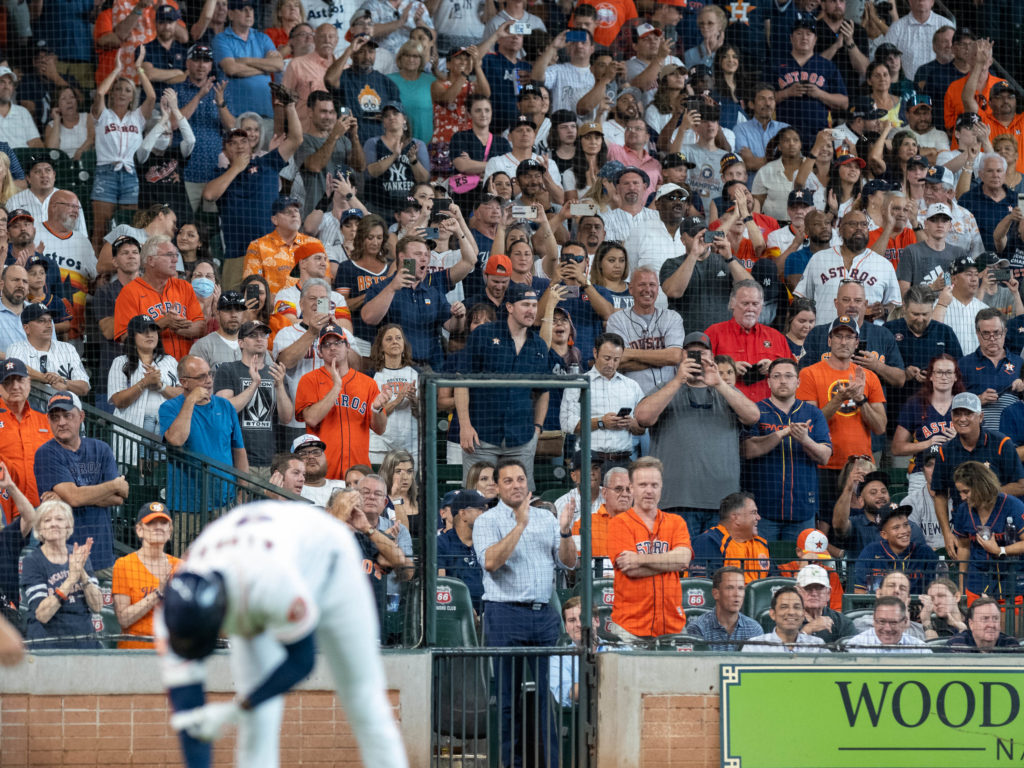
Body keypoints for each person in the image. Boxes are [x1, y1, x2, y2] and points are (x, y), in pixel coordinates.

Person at [160, 502, 408, 768]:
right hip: (260, 562)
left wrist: (240, 707)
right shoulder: (172, 611)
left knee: (362, 695)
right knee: (258, 721)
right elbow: (189, 718)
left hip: (329, 562)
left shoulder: (270, 584)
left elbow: (302, 661)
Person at [473, 458, 576, 768]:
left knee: (548, 698)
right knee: (507, 698)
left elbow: (569, 564)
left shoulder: (546, 518)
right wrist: (520, 524)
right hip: (504, 614)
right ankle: (509, 763)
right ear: (497, 487)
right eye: (508, 481)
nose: (516, 485)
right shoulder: (487, 521)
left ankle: (551, 763)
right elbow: (491, 563)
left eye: (520, 479)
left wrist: (567, 532)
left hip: (544, 615)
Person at [637, 331, 760, 534]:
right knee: (680, 563)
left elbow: (753, 416)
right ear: (682, 358)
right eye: (691, 354)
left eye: (702, 354)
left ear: (712, 357)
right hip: (675, 500)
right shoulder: (667, 388)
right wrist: (677, 381)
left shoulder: (725, 391)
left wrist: (719, 383)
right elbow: (642, 417)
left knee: (722, 564)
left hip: (723, 504)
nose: (697, 359)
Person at [455, 283, 550, 489]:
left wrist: (537, 429)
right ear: (509, 307)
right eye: (525, 304)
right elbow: (461, 381)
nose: (531, 310)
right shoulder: (483, 334)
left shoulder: (539, 345)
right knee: (476, 499)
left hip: (522, 438)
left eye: (534, 305)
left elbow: (543, 391)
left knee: (520, 500)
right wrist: (465, 425)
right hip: (481, 436)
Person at [796, 315, 887, 508]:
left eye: (849, 336)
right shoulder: (809, 374)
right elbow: (809, 425)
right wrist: (839, 398)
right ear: (829, 340)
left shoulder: (869, 377)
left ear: (856, 343)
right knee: (824, 528)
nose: (843, 341)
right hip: (822, 464)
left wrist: (861, 399)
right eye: (838, 336)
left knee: (859, 525)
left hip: (860, 465)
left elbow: (880, 427)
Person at [34, 391, 128, 577]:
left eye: (67, 415)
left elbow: (118, 499)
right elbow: (75, 498)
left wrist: (68, 496)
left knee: (104, 606)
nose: (61, 422)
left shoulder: (101, 449)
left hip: (102, 555)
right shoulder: (46, 453)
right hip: (63, 558)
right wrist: (114, 485)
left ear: (81, 416)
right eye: (55, 417)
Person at [741, 358, 833, 541]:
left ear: (798, 382)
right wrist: (782, 434)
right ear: (768, 382)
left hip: (802, 509)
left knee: (799, 566)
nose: (783, 381)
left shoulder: (813, 413)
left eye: (789, 376)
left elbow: (825, 457)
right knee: (761, 565)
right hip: (762, 509)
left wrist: (805, 440)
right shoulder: (756, 411)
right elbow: (747, 450)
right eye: (776, 376)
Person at [604, 457, 691, 642]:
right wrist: (670, 563)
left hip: (672, 625)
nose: (649, 491)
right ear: (632, 488)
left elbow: (683, 559)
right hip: (630, 627)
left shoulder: (676, 522)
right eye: (643, 485)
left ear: (661, 487)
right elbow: (631, 570)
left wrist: (639, 559)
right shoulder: (619, 523)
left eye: (654, 485)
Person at [931, 393, 1024, 557]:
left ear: (980, 417)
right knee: (968, 576)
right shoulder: (945, 451)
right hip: (965, 528)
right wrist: (947, 533)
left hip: (1004, 525)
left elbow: (1020, 485)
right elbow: (940, 495)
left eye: (968, 413)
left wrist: (984, 495)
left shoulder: (1002, 444)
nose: (962, 419)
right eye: (957, 414)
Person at [294, 324, 390, 478]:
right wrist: (336, 387)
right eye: (326, 344)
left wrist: (377, 410)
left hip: (358, 474)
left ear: (348, 347)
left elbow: (380, 429)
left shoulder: (368, 383)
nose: (332, 348)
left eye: (338, 343)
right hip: (323, 474)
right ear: (319, 352)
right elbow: (311, 418)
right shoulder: (309, 380)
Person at [160, 355, 249, 515]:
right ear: (184, 382)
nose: (208, 380)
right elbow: (176, 439)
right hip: (187, 504)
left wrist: (243, 491)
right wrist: (191, 400)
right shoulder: (169, 408)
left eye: (210, 374)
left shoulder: (225, 406)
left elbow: (239, 450)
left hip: (225, 500)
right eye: (201, 377)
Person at [213, 319, 294, 476]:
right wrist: (253, 385)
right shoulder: (228, 369)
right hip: (237, 458)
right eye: (253, 335)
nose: (259, 339)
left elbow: (286, 418)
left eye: (263, 335)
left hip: (269, 460)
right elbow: (224, 409)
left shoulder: (275, 373)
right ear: (241, 343)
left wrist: (279, 387)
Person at [21, 500, 103, 650]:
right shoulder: (32, 561)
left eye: (59, 519)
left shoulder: (79, 554)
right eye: (47, 520)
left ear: (68, 526)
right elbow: (42, 615)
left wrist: (82, 573)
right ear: (39, 528)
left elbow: (97, 606)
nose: (54, 524)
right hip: (48, 646)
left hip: (84, 643)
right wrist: (71, 579)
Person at [793, 211, 901, 324]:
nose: (859, 228)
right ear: (840, 230)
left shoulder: (883, 264)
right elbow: (802, 299)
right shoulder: (819, 259)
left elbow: (896, 305)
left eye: (864, 224)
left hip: (868, 337)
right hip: (825, 335)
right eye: (852, 224)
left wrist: (884, 310)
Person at [114, 235, 205, 360]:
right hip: (150, 369)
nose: (175, 260)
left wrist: (176, 327)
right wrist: (162, 323)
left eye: (176, 255)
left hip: (185, 367)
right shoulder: (129, 292)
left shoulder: (184, 287)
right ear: (151, 260)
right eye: (169, 255)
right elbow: (125, 336)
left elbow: (200, 327)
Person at [560, 333, 645, 465]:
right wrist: (601, 422)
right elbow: (567, 424)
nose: (611, 364)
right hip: (589, 461)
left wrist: (631, 424)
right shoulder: (578, 384)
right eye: (607, 358)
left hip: (624, 460)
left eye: (616, 359)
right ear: (595, 353)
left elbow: (642, 429)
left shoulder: (632, 386)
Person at [705, 280, 793, 402]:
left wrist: (774, 369)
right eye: (745, 303)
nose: (750, 309)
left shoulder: (777, 337)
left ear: (761, 306)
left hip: (768, 412)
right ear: (732, 304)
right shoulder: (714, 333)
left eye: (755, 304)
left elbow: (793, 375)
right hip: (725, 408)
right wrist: (729, 368)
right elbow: (698, 369)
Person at [950, 460, 1024, 604]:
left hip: (1012, 580)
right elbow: (964, 547)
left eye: (966, 491)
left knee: (1008, 625)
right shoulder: (963, 510)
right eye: (960, 492)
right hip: (977, 582)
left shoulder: (1013, 506)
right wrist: (962, 586)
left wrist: (1000, 550)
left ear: (981, 487)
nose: (962, 497)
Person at [604, 266, 684, 396]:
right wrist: (662, 359)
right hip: (632, 397)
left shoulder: (672, 317)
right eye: (642, 285)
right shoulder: (617, 320)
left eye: (652, 285)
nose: (647, 290)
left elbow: (674, 356)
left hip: (670, 397)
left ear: (658, 290)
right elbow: (618, 360)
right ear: (631, 289)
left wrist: (630, 353)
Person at [112, 501, 181, 649]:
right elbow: (124, 619)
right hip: (135, 652)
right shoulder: (124, 565)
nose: (158, 527)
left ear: (170, 531)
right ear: (139, 530)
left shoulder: (181, 567)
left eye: (163, 523)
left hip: (170, 651)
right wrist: (158, 594)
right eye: (151, 523)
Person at [0, 359, 52, 522]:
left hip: (42, 509)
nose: (15, 386)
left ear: (29, 382)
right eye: (8, 381)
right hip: (5, 508)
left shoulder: (45, 421)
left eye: (20, 380)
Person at [957, 308, 1024, 430]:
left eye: (997, 332)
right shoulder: (963, 364)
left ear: (1005, 332)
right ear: (978, 334)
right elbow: (951, 405)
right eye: (986, 333)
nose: (992, 338)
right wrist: (977, 400)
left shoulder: (1020, 363)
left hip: (1015, 436)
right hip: (978, 437)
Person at [6, 303, 90, 398]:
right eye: (41, 321)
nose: (49, 325)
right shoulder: (16, 348)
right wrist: (46, 378)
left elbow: (84, 387)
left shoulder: (68, 349)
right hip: (31, 411)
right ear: (27, 328)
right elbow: (15, 369)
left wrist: (64, 382)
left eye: (50, 321)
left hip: (64, 410)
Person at [854, 502, 938, 593]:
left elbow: (938, 588)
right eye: (896, 527)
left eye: (906, 524)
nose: (904, 531)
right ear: (884, 535)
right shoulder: (870, 552)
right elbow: (859, 591)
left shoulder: (925, 553)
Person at [690, 492, 771, 581]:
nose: (758, 517)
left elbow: (774, 581)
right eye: (753, 512)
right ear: (736, 517)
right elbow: (703, 586)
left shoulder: (761, 543)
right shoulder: (708, 541)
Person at [687, 566, 763, 651]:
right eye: (730, 588)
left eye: (741, 588)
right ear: (716, 594)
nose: (737, 594)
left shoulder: (754, 629)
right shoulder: (698, 628)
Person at [436, 488, 487, 613]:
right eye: (480, 509)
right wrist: (465, 609)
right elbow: (440, 586)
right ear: (463, 514)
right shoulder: (441, 543)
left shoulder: (487, 541)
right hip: (454, 612)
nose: (485, 513)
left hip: (490, 610)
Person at [743, 586, 828, 652]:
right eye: (784, 607)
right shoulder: (754, 647)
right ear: (773, 614)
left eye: (796, 607)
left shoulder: (817, 647)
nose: (791, 612)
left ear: (803, 614)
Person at [791, 563, 856, 644]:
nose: (814, 593)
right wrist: (807, 630)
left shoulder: (842, 623)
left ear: (828, 593)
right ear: (797, 592)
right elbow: (783, 652)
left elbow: (853, 653)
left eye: (819, 588)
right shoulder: (786, 620)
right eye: (808, 588)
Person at [845, 594, 932, 653]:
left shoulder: (921, 650)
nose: (887, 628)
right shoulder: (856, 646)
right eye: (882, 622)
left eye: (893, 622)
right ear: (874, 621)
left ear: (904, 622)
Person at [946, 596, 1019, 652]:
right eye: (985, 619)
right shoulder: (957, 645)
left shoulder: (1011, 645)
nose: (991, 625)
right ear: (971, 624)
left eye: (995, 619)